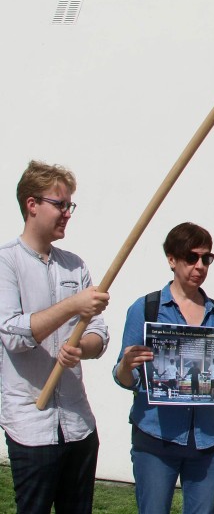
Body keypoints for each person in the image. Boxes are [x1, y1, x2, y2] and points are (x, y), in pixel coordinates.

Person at [113, 222, 214, 514]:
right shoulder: (146, 309)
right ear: (171, 259)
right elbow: (123, 378)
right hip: (156, 436)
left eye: (206, 258)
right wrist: (127, 364)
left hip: (207, 439)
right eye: (191, 258)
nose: (200, 266)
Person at [0, 160, 110, 514]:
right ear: (32, 205)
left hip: (78, 424)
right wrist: (72, 305)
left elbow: (98, 334)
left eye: (69, 206)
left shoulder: (74, 265)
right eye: (60, 204)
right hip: (30, 425)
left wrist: (81, 347)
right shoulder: (6, 263)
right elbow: (13, 333)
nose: (67, 213)